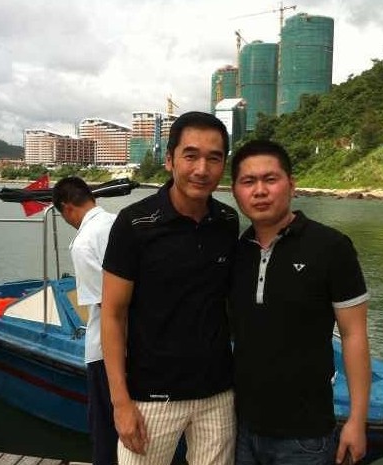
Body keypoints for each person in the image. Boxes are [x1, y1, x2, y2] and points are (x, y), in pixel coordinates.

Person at [101, 111, 239, 465]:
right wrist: (120, 402)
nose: (202, 169)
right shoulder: (134, 223)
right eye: (190, 155)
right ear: (169, 160)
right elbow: (113, 315)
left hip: (217, 393)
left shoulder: (227, 221)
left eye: (214, 158)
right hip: (151, 395)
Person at [229, 139, 371, 465]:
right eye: (248, 182)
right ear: (235, 192)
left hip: (306, 437)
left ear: (291, 184)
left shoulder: (331, 247)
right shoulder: (237, 252)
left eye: (270, 179)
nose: (260, 191)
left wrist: (356, 420)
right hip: (243, 430)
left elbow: (353, 335)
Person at [53, 177, 118, 465]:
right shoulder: (120, 223)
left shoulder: (83, 243)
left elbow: (108, 305)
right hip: (139, 345)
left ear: (67, 208)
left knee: (104, 429)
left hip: (104, 350)